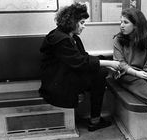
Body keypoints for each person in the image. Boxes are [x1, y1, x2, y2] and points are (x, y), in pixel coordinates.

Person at [39, 3, 120, 131]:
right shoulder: (61, 39)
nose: (84, 26)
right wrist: (110, 63)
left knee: (100, 72)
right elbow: (81, 62)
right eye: (82, 23)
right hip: (57, 82)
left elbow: (83, 57)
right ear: (72, 22)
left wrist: (106, 61)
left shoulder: (71, 37)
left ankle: (95, 119)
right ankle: (95, 120)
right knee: (100, 74)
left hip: (64, 77)